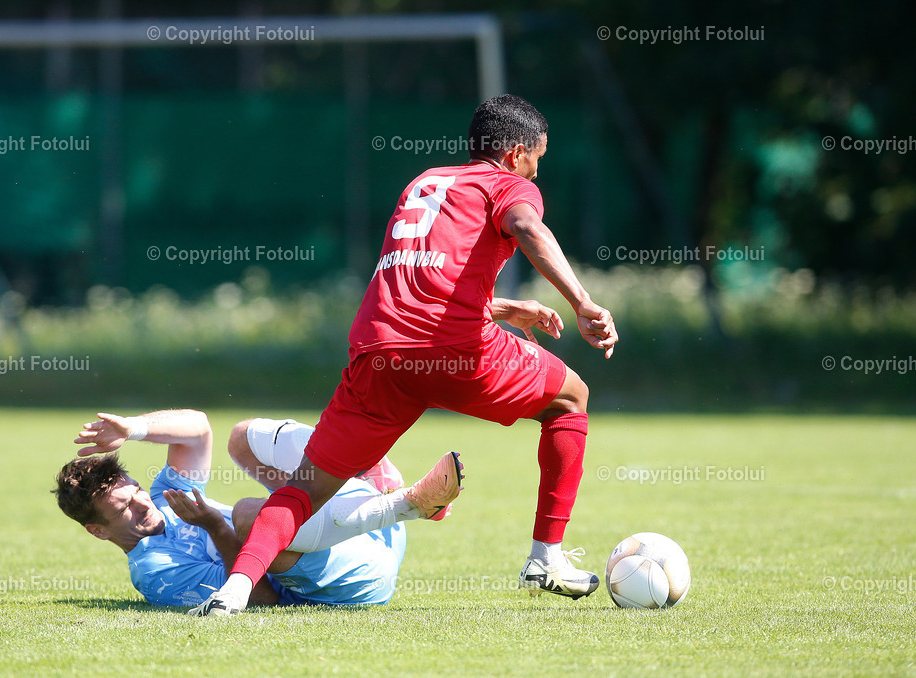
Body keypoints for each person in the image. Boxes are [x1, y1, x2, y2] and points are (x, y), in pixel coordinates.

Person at [196, 93, 618, 616]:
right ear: (514, 154)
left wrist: (502, 306)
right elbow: (529, 229)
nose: (536, 173)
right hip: (457, 351)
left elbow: (422, 279)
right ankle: (545, 557)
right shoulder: (505, 184)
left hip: (379, 353)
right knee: (570, 397)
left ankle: (232, 593)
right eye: (537, 160)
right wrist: (583, 302)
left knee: (305, 488)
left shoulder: (424, 183)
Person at [52, 409, 463, 608]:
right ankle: (404, 501)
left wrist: (134, 428)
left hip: (357, 531)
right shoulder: (156, 572)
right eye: (124, 507)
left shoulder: (161, 498)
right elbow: (262, 598)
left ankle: (375, 477)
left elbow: (197, 429)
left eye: (136, 490)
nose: (143, 503)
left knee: (242, 438)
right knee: (250, 515)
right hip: (350, 581)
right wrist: (215, 525)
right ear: (99, 530)